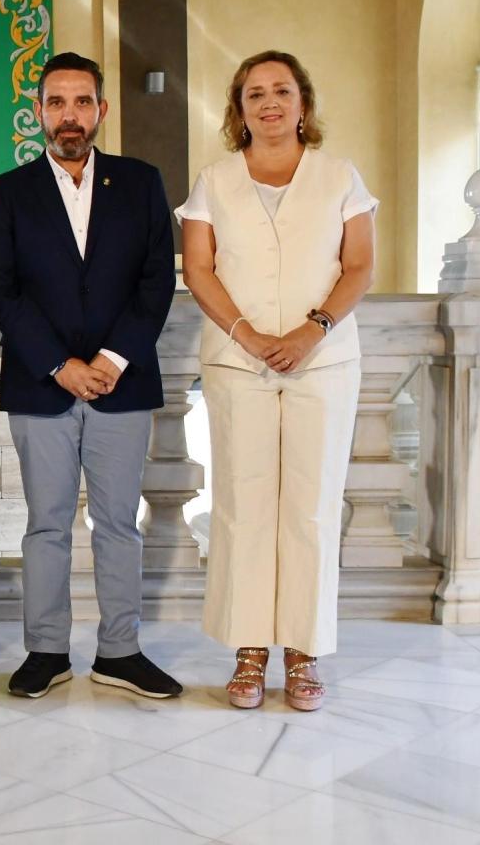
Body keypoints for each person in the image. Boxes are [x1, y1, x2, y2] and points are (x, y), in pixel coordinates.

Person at [0, 52, 182, 701]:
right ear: (38, 111)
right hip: (41, 385)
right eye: (57, 102)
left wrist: (111, 360)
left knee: (120, 523)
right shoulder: (8, 192)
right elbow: (1, 293)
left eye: (83, 101)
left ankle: (120, 651)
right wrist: (60, 364)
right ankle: (46, 649)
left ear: (101, 110)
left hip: (124, 382)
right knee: (46, 522)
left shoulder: (142, 182)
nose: (70, 115)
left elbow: (156, 282)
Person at [178, 50, 374, 712]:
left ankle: (304, 649)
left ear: (303, 103)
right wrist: (252, 336)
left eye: (281, 91)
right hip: (239, 362)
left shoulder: (339, 177)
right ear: (238, 109)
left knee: (312, 507)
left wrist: (308, 331)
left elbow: (359, 267)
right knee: (244, 503)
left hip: (323, 361)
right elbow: (200, 270)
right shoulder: (214, 180)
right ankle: (249, 648)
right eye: (254, 93)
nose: (269, 103)